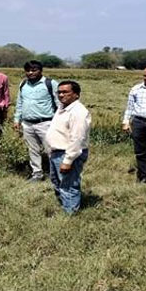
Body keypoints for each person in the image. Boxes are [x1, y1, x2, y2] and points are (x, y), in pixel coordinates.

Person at [45, 81, 91, 214]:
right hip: (57, 152)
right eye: (59, 92)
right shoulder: (62, 108)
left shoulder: (78, 112)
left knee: (68, 184)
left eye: (65, 92)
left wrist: (68, 160)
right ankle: (65, 207)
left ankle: (70, 214)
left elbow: (77, 139)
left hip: (68, 153)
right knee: (57, 182)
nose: (61, 95)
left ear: (76, 95)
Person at [13, 60, 59, 182]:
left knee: (52, 150)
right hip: (27, 123)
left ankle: (55, 174)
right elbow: (20, 103)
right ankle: (37, 173)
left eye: (34, 70)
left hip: (46, 123)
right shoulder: (23, 84)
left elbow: (60, 104)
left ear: (40, 70)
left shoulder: (50, 83)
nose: (31, 73)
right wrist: (17, 119)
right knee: (33, 150)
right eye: (28, 70)